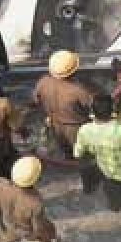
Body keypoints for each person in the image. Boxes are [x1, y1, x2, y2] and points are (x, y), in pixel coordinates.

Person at [32, 50, 98, 190]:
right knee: (83, 157)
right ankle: (89, 184)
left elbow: (36, 99)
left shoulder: (43, 82)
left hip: (56, 124)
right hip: (76, 128)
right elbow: (95, 107)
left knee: (66, 148)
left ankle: (70, 162)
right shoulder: (78, 90)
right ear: (72, 71)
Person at [0, 156, 67, 242]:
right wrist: (41, 237)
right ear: (35, 179)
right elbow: (38, 228)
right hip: (27, 229)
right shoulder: (35, 203)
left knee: (11, 239)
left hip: (8, 222)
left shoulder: (0, 183)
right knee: (49, 230)